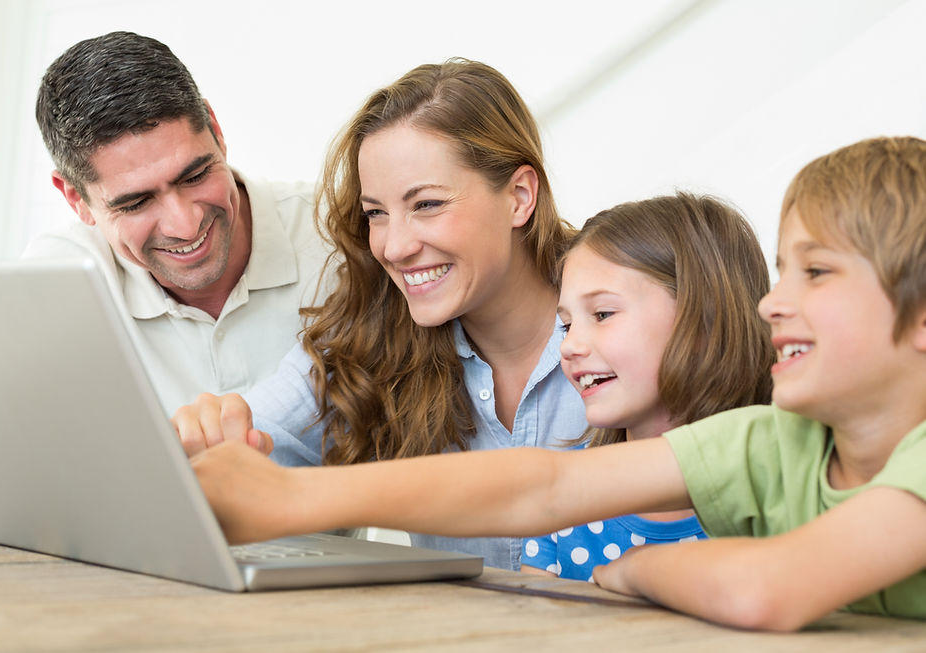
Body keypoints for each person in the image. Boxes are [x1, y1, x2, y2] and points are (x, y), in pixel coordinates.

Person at [186, 136, 926, 630]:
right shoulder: (773, 443)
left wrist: (639, 569)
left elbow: (764, 588)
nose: (771, 301)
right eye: (782, 269)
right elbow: (539, 487)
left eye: (816, 272)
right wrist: (290, 498)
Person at [172, 59, 586, 570]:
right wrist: (215, 437)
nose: (395, 245)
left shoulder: (639, 314)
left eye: (428, 204)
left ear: (520, 197)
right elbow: (252, 440)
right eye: (377, 213)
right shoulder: (371, 337)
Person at [25, 31, 331, 414]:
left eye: (195, 176)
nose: (185, 226)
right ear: (75, 198)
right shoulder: (55, 284)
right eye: (136, 203)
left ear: (216, 131)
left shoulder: (341, 233)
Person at [520, 193, 773, 580]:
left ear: (704, 320)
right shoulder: (564, 504)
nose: (569, 346)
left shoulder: (784, 492)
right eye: (567, 325)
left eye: (602, 314)